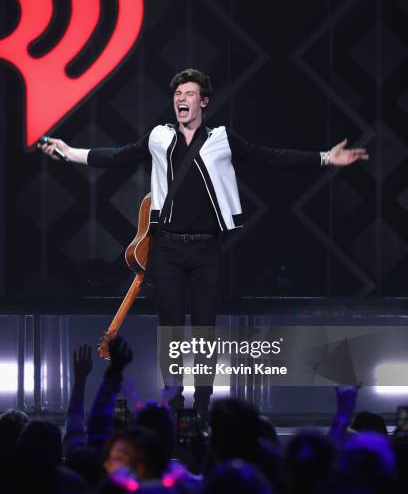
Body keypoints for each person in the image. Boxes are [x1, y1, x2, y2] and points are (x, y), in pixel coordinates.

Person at [38, 68, 368, 417]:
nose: (182, 99)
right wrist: (69, 152)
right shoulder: (158, 138)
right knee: (171, 332)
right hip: (167, 249)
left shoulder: (222, 140)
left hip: (206, 249)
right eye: (178, 94)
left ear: (204, 101)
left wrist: (325, 158)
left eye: (190, 94)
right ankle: (174, 405)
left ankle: (203, 407)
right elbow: (117, 156)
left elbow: (270, 157)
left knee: (205, 330)